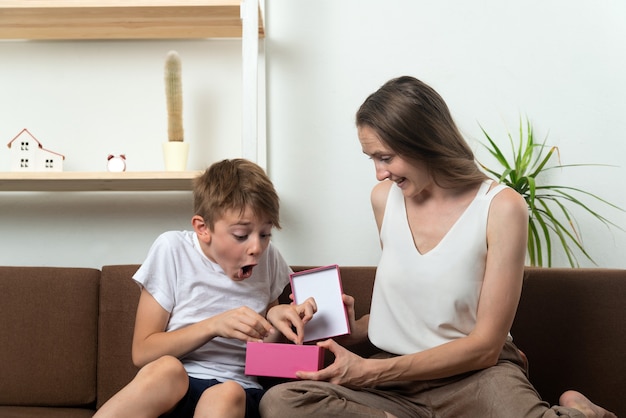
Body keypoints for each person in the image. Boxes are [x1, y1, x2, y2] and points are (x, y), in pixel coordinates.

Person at [259, 76, 617, 418]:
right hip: (395, 382)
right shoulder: (385, 199)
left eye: (385, 157)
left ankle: (580, 411)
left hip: (474, 376)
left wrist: (370, 372)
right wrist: (348, 327)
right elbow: (418, 308)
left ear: (423, 142)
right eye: (372, 159)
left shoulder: (501, 207)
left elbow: (485, 346)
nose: (379, 173)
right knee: (281, 403)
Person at [94, 158, 316, 418]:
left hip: (238, 394)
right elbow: (142, 353)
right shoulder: (172, 249)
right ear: (203, 229)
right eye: (241, 235)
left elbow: (265, 356)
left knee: (226, 392)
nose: (256, 247)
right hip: (175, 390)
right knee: (166, 370)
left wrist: (278, 321)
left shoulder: (270, 260)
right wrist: (213, 326)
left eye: (265, 234)